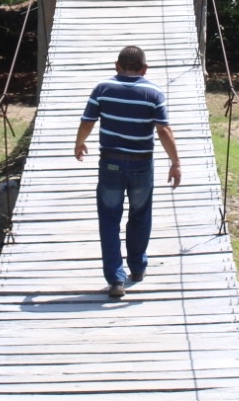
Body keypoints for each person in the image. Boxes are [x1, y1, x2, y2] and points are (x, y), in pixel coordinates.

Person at [74, 45, 181, 299]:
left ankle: (115, 279)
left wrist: (79, 142)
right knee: (140, 215)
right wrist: (175, 162)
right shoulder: (154, 92)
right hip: (142, 165)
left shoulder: (102, 89)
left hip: (110, 163)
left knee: (109, 219)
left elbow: (88, 121)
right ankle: (137, 267)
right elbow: (164, 131)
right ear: (144, 69)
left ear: (116, 65)